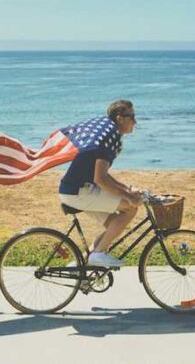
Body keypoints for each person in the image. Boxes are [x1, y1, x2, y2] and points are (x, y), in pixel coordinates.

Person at [58, 100, 143, 268]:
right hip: (79, 192)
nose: (135, 121)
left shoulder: (107, 133)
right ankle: (97, 254)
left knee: (113, 226)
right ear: (120, 118)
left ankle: (82, 265)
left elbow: (103, 177)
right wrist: (129, 196)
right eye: (132, 117)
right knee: (130, 208)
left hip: (78, 190)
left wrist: (127, 189)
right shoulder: (107, 138)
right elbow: (101, 180)